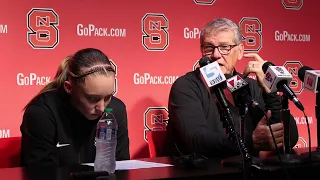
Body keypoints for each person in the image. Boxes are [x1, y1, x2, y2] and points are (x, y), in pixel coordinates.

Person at [165, 18, 298, 158]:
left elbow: (288, 136)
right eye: (209, 47)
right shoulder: (187, 86)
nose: (216, 55)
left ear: (240, 51)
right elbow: (196, 141)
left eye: (224, 47)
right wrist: (251, 141)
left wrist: (270, 92)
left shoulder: (246, 85)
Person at [20, 48, 130, 167]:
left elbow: (121, 168)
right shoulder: (42, 113)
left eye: (108, 97)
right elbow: (41, 174)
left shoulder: (116, 110)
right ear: (69, 88)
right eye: (92, 99)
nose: (102, 108)